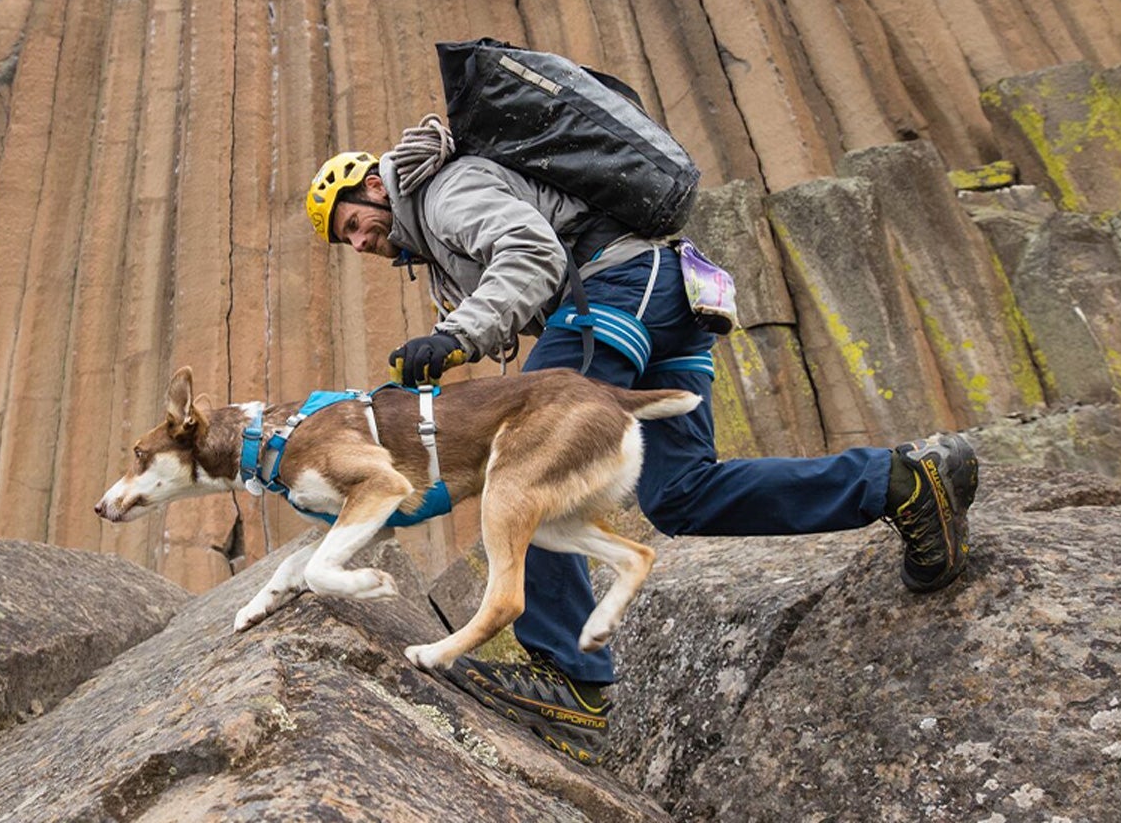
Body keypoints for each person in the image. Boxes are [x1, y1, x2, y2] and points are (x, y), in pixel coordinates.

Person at [303, 117, 979, 764]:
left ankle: (569, 677)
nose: (361, 245)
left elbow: (532, 253)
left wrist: (456, 337)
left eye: (356, 226)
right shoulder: (433, 234)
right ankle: (900, 483)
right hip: (673, 297)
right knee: (683, 494)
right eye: (349, 244)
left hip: (618, 288)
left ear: (374, 188)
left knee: (523, 466)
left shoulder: (446, 190)